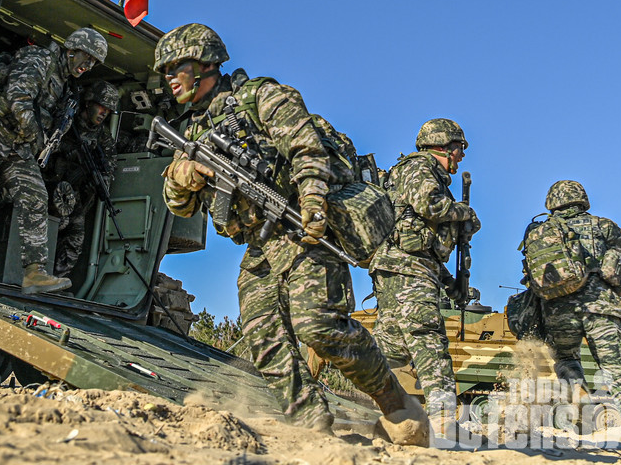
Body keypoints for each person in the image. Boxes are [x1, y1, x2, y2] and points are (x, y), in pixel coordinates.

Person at [155, 23, 428, 444]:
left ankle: (394, 402)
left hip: (302, 227)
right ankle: (310, 422)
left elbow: (307, 150)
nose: (170, 77)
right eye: (165, 70)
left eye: (178, 66)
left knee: (319, 326)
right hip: (261, 244)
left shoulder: (263, 98)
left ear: (207, 64)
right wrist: (184, 175)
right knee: (262, 335)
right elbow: (177, 202)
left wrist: (314, 205)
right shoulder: (190, 131)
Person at [0, 27, 108, 294]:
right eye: (86, 57)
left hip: (17, 146)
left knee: (36, 196)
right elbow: (18, 98)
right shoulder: (39, 59)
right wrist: (36, 136)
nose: (88, 65)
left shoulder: (65, 85)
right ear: (71, 50)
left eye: (94, 62)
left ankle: (35, 273)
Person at [526, 180, 621, 461]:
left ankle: (575, 387)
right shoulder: (602, 226)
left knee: (565, 357)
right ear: (582, 200)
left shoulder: (537, 231)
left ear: (552, 203)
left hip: (557, 310)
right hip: (601, 307)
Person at [370, 118, 480, 442]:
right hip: (408, 274)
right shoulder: (419, 168)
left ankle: (338, 378)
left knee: (389, 352)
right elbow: (430, 205)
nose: (461, 156)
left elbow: (423, 246)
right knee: (430, 344)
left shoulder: (417, 173)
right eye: (459, 148)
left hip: (400, 271)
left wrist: (449, 282)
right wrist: (465, 214)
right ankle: (445, 428)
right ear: (443, 146)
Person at [44, 80, 118, 280]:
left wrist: (97, 180)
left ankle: (58, 280)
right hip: (50, 184)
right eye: (101, 107)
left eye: (108, 111)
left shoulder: (102, 136)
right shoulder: (68, 118)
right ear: (89, 103)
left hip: (75, 195)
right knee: (51, 226)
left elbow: (109, 165)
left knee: (76, 237)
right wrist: (68, 153)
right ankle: (35, 274)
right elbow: (46, 141)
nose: (104, 114)